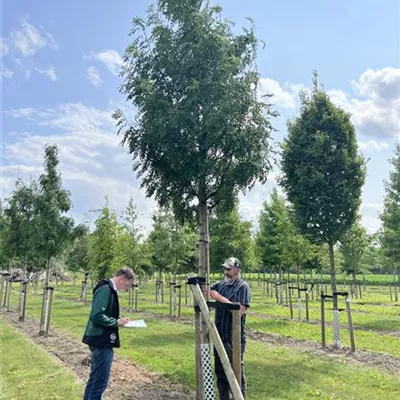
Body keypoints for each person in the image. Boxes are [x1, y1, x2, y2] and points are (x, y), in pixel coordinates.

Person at [82, 267, 134, 400]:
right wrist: (116, 322)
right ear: (121, 278)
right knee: (100, 382)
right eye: (127, 285)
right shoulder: (106, 289)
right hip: (101, 340)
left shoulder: (109, 289)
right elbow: (97, 315)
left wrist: (119, 320)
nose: (126, 288)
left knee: (95, 379)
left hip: (100, 338)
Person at [209, 257, 251, 400]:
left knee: (236, 374)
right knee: (220, 373)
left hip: (234, 338)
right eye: (225, 269)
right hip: (219, 336)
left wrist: (219, 298)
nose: (225, 272)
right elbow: (208, 289)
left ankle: (239, 397)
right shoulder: (222, 285)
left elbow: (240, 311)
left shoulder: (243, 287)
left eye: (228, 269)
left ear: (237, 270)